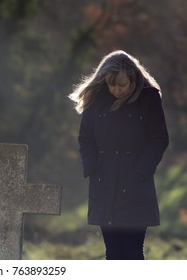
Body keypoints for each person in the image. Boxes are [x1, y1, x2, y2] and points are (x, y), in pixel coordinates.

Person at [69, 50, 169, 260]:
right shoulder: (95, 98)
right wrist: (92, 167)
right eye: (111, 84)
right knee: (113, 253)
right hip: (104, 185)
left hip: (136, 186)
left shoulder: (149, 98)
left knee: (132, 253)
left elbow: (159, 139)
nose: (116, 90)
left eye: (122, 85)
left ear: (133, 79)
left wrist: (141, 171)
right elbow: (85, 138)